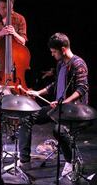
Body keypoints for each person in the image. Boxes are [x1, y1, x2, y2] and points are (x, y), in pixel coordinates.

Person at [21, 33, 89, 176]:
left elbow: (82, 88)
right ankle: (24, 161)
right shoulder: (60, 64)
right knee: (27, 117)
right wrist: (38, 92)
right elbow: (55, 85)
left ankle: (71, 162)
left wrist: (63, 103)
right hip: (58, 108)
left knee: (59, 130)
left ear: (63, 49)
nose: (52, 55)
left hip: (74, 111)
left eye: (54, 52)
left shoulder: (78, 64)